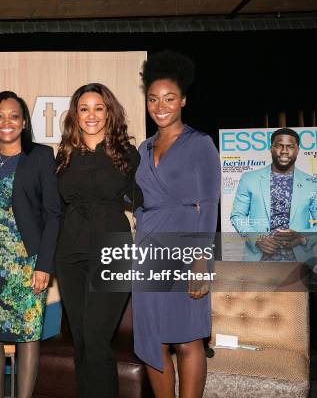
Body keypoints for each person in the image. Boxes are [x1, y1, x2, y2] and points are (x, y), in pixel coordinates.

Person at [132, 51, 220, 398]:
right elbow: (139, 196)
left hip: (187, 248)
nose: (160, 106)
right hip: (149, 252)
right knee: (154, 339)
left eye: (169, 98)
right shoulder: (143, 147)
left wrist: (201, 260)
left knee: (187, 339)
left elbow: (210, 202)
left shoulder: (200, 144)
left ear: (183, 100)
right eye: (153, 99)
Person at [0, 90, 60, 398]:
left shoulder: (40, 156)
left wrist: (44, 265)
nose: (6, 122)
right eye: (0, 116)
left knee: (28, 334)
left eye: (14, 116)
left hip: (25, 261)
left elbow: (53, 215)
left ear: (23, 122)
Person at [54, 83, 143, 398]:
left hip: (113, 252)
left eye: (98, 108)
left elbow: (147, 197)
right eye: (84, 108)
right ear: (75, 114)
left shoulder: (126, 153)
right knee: (80, 341)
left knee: (95, 338)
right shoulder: (64, 154)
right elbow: (54, 209)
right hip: (70, 255)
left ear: (109, 112)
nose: (91, 115)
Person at [230, 127, 317, 263]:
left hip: (299, 264)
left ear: (297, 150)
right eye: (279, 146)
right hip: (258, 261)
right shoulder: (249, 179)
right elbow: (237, 216)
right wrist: (256, 238)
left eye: (290, 146)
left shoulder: (313, 184)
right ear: (271, 148)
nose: (284, 151)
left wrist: (302, 237)